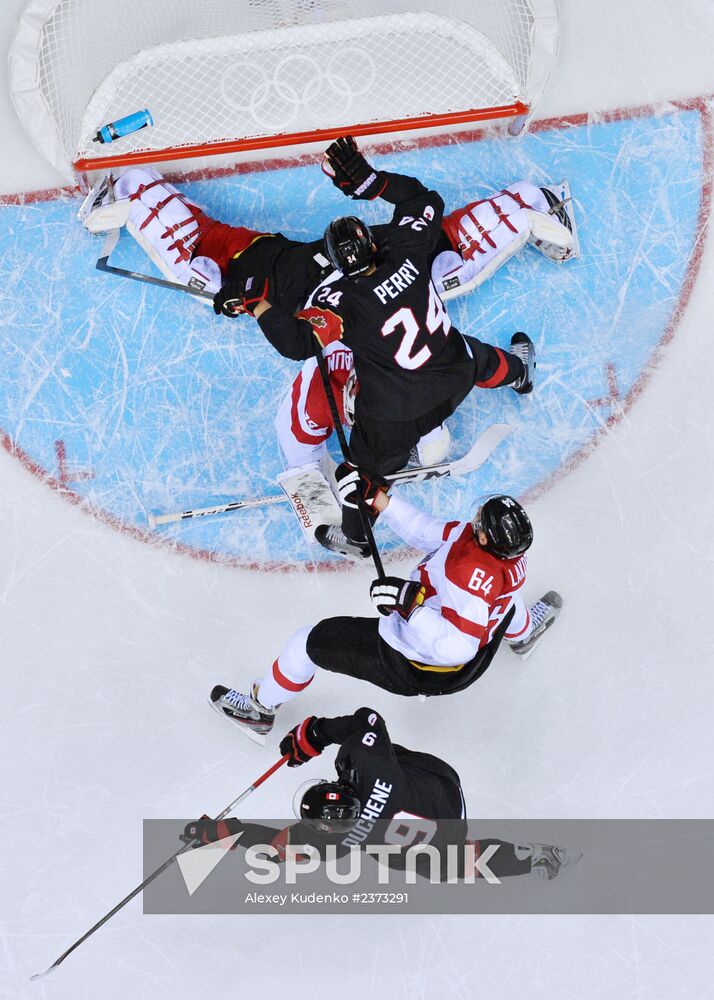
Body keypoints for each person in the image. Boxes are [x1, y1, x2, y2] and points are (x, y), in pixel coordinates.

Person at [209, 492, 562, 739]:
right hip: (479, 641)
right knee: (506, 603)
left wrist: (410, 607)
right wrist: (383, 502)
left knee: (307, 643)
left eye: (480, 521)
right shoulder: (506, 555)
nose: (474, 521)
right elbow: (428, 532)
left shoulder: (468, 578)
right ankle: (524, 635)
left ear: (487, 540)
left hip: (416, 665)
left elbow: (458, 647)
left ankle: (260, 709)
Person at [183, 707, 581, 882]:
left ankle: (537, 858)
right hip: (442, 787)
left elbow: (274, 845)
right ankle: (531, 857)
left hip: (442, 838)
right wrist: (316, 733)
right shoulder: (371, 770)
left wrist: (217, 834)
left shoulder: (334, 843)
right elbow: (368, 719)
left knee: (446, 866)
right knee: (391, 756)